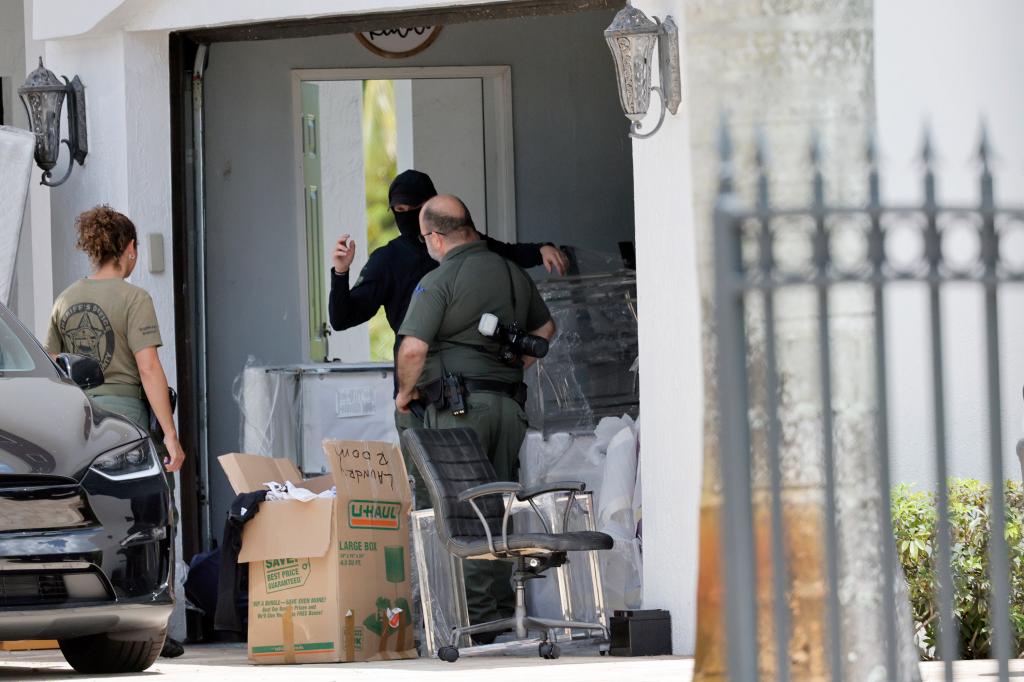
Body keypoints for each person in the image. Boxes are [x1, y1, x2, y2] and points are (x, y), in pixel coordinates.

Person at [394, 195, 556, 639]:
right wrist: (510, 370)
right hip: (508, 408)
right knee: (500, 508)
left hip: (459, 412)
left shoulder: (440, 279)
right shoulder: (512, 273)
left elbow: (412, 348)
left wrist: (405, 394)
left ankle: (478, 622)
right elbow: (546, 330)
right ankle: (505, 612)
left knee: (465, 514)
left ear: (437, 237)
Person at [45, 205, 186, 658]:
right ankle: (149, 627)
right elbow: (148, 369)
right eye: (135, 250)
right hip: (126, 423)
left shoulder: (65, 300)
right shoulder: (134, 298)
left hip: (79, 423)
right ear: (128, 250)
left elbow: (52, 369)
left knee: (94, 520)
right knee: (147, 518)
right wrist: (170, 433)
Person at [328, 169, 566, 354]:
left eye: (416, 208)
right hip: (419, 377)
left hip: (467, 368)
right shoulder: (387, 260)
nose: (409, 215)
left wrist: (540, 250)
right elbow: (342, 319)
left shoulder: (461, 242)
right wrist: (340, 272)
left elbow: (505, 253)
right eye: (401, 209)